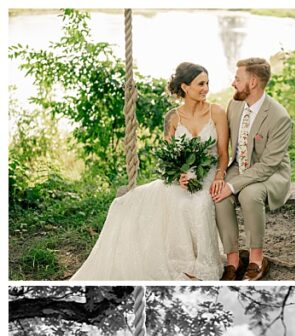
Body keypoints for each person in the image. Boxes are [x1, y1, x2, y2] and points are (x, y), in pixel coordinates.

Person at [71, 63, 228, 281]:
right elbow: (170, 156)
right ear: (185, 87)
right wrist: (179, 175)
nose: (205, 88)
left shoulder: (217, 112)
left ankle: (204, 266)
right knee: (165, 200)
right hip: (183, 176)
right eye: (201, 84)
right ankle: (181, 263)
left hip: (209, 172)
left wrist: (219, 177)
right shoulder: (172, 118)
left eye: (207, 83)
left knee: (200, 203)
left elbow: (223, 154)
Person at [212, 58, 293, 281]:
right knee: (219, 195)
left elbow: (268, 165)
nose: (233, 83)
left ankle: (257, 259)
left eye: (238, 79)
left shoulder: (279, 117)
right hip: (240, 166)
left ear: (253, 82)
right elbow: (223, 142)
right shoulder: (235, 105)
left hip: (271, 172)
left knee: (250, 193)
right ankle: (233, 260)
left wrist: (233, 185)